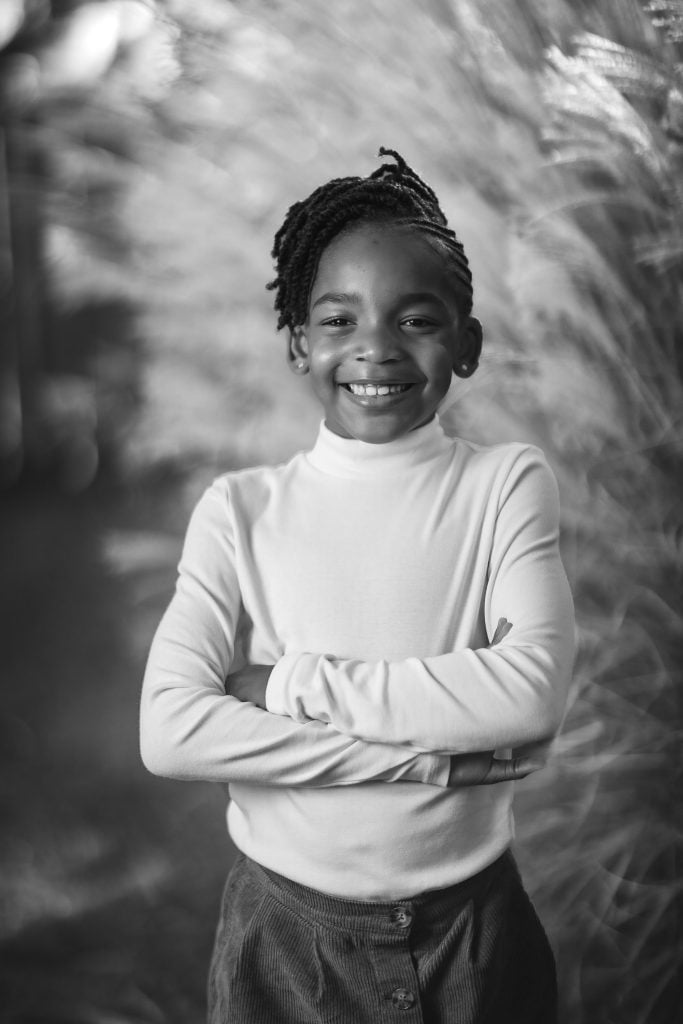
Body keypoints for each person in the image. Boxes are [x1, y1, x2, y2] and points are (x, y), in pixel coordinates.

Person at [140, 148, 575, 1024]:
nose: (374, 346)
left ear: (467, 342)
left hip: (474, 933)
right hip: (284, 940)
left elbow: (529, 692)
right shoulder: (239, 512)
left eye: (416, 319)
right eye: (338, 321)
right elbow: (172, 729)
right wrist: (431, 760)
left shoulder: (504, 485)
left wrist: (292, 687)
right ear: (300, 342)